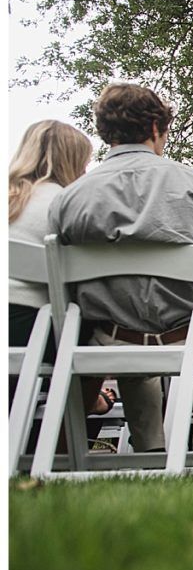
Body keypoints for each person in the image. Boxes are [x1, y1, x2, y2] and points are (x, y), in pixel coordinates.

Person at [48, 83, 193, 454]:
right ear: (155, 128)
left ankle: (151, 449)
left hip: (111, 341)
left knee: (126, 322)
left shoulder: (68, 199)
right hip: (188, 337)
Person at [8, 120, 115, 434]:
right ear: (74, 162)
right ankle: (70, 430)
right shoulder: (68, 206)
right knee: (105, 331)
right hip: (31, 330)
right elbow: (94, 282)